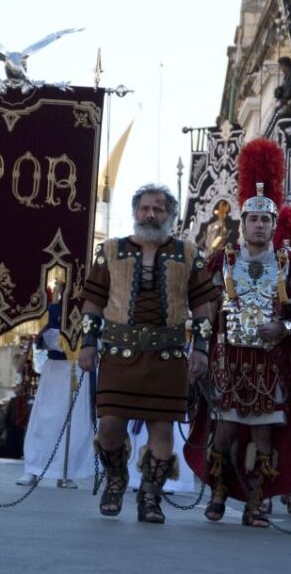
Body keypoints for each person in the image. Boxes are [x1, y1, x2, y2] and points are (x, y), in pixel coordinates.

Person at [183, 137, 291, 528]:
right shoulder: (221, 261)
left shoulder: (290, 265)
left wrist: (284, 325)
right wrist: (200, 351)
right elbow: (205, 312)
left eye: (266, 220)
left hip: (270, 362)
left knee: (263, 438)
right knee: (224, 431)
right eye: (253, 219)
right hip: (229, 359)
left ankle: (258, 501)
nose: (259, 225)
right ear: (242, 223)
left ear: (275, 225)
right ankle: (218, 492)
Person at [78, 184, 219, 524]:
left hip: (167, 356)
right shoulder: (110, 250)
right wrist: (87, 342)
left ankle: (151, 496)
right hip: (118, 354)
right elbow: (93, 300)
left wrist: (200, 349)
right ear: (135, 212)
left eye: (158, 209)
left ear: (170, 214)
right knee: (109, 424)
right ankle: (116, 478)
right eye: (144, 208)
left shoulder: (189, 253)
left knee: (162, 429)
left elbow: (203, 305)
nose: (150, 214)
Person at [18, 295, 94, 486]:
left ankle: (67, 471)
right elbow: (45, 338)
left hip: (79, 369)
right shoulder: (53, 309)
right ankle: (33, 469)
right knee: (44, 419)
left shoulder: (92, 310)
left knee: (75, 422)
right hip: (56, 370)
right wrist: (67, 340)